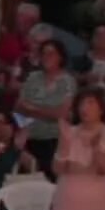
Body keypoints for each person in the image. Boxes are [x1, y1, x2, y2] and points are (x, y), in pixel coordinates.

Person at [17, 39, 76, 176]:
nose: (46, 57)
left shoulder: (67, 82)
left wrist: (32, 109)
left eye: (51, 54)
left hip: (54, 140)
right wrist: (24, 127)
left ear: (60, 57)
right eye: (43, 53)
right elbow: (19, 107)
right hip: (28, 138)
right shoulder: (33, 78)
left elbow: (61, 114)